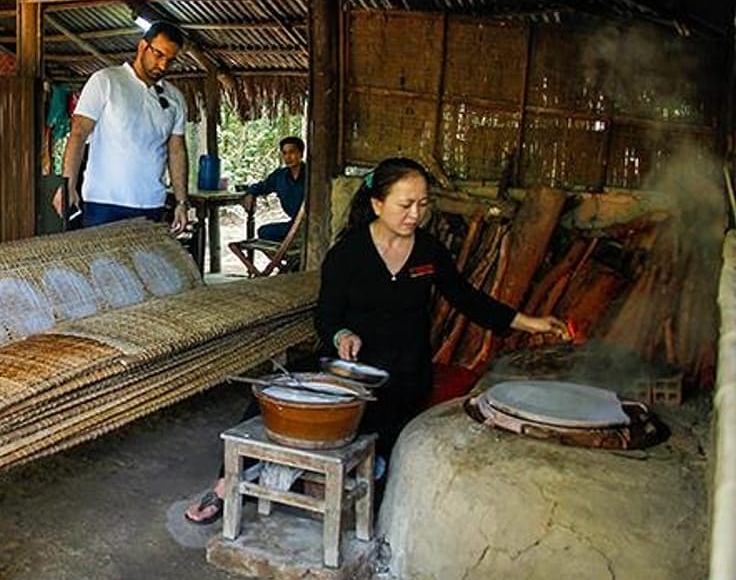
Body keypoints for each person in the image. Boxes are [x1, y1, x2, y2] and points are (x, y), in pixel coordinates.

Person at [184, 157, 566, 524]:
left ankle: (363, 479)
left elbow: (468, 298)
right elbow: (327, 316)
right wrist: (341, 334)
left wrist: (530, 323)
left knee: (374, 422)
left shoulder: (430, 252)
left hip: (404, 371)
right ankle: (226, 484)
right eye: (405, 204)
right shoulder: (348, 254)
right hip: (345, 367)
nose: (416, 214)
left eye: (423, 204)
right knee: (270, 398)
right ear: (377, 203)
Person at [53, 21, 190, 233]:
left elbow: (177, 151)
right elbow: (78, 134)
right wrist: (68, 185)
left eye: (170, 61)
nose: (163, 66)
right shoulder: (106, 81)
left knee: (145, 267)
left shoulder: (174, 99)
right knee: (101, 266)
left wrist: (181, 203)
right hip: (104, 202)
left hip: (151, 204)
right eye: (159, 55)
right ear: (143, 46)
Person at [240, 136, 306, 242]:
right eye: (284, 153)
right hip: (293, 226)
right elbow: (262, 186)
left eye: (292, 152)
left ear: (301, 154)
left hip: (311, 224)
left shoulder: (312, 174)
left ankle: (293, 253)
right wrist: (251, 193)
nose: (288, 157)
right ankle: (289, 257)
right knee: (264, 232)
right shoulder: (279, 176)